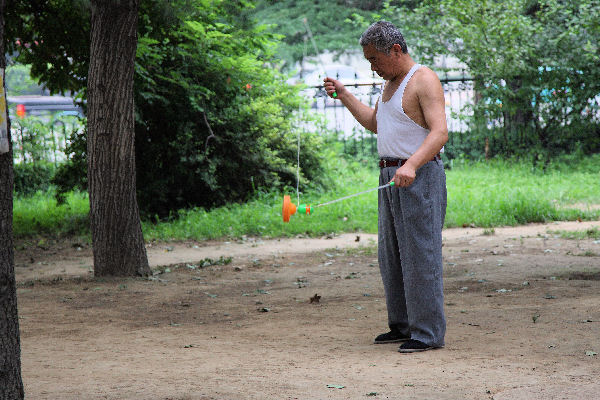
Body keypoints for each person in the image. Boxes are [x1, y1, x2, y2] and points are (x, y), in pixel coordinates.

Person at [323, 20, 448, 353]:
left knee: (420, 255)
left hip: (418, 176)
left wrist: (412, 164)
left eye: (374, 59)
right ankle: (403, 325)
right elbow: (376, 124)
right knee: (392, 256)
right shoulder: (390, 83)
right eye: (368, 61)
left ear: (395, 50)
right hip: (390, 177)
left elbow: (439, 133)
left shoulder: (423, 79)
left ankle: (428, 333)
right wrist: (345, 95)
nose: (372, 67)